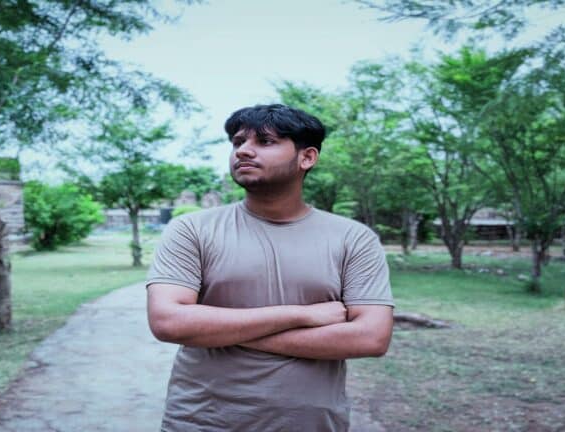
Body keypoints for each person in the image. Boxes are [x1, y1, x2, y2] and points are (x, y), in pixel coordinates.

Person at [146, 104, 395, 431]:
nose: (244, 151)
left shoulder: (353, 239)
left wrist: (221, 333)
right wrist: (300, 315)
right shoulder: (192, 229)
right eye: (237, 142)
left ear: (307, 158)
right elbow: (168, 322)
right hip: (201, 421)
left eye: (265, 141)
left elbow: (371, 338)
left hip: (311, 423)